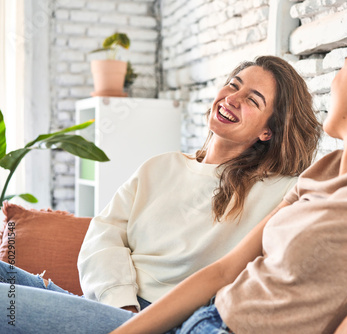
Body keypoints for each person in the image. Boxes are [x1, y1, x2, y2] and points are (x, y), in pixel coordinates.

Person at [0, 16, 347, 334]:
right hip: (202, 319)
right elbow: (223, 272)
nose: (336, 78)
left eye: (344, 64)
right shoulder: (324, 170)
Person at [0, 55, 320, 312]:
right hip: (114, 308)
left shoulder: (281, 191)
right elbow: (104, 236)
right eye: (233, 85)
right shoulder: (160, 167)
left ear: (268, 131)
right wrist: (122, 303)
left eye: (252, 99)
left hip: (162, 318)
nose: (232, 99)